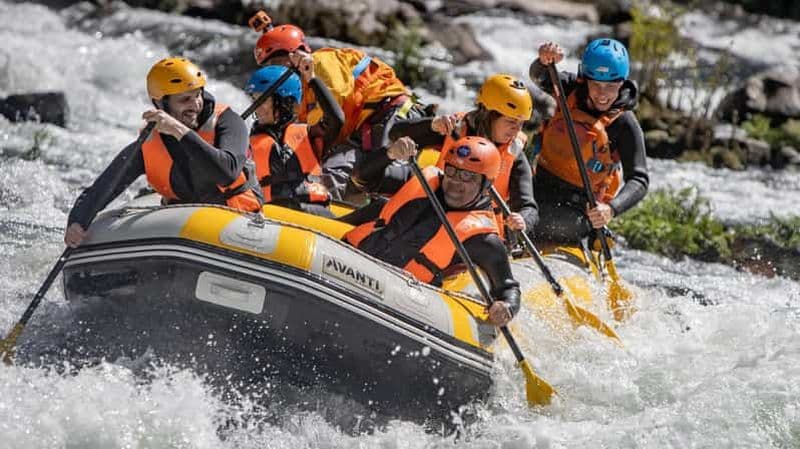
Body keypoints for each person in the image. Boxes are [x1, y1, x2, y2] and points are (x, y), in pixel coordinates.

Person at [64, 57, 262, 248]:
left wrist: (179, 130)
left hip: (238, 221)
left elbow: (227, 173)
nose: (195, 105)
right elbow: (106, 185)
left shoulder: (228, 121)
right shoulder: (150, 143)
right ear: (161, 104)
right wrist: (78, 221)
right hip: (185, 225)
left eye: (198, 95)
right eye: (185, 100)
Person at [343, 136, 521, 327]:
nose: (455, 182)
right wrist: (390, 153)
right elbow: (361, 179)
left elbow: (508, 288)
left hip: (398, 304)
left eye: (468, 176)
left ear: (486, 185)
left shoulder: (483, 239)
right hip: (348, 265)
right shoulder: (420, 180)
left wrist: (506, 307)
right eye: (452, 171)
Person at [248, 11, 424, 201]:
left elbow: (335, 114)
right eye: (267, 67)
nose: (274, 71)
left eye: (277, 62)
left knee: (365, 173)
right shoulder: (299, 91)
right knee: (336, 171)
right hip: (361, 131)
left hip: (389, 113)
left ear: (296, 54)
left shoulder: (321, 63)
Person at [381, 73, 539, 239]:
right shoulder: (454, 129)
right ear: (488, 114)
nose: (516, 129)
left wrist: (523, 220)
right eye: (511, 121)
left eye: (521, 124)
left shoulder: (515, 153)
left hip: (476, 231)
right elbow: (395, 133)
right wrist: (431, 125)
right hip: (434, 211)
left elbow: (528, 206)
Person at [528, 38, 649, 244]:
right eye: (596, 85)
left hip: (579, 207)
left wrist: (611, 209)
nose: (603, 95)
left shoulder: (624, 123)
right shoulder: (568, 87)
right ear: (585, 80)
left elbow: (639, 180)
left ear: (622, 82)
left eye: (611, 86)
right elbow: (538, 75)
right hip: (537, 185)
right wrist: (544, 59)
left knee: (552, 225)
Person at [245, 65, 344, 217]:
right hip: (273, 217)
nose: (256, 107)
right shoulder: (249, 143)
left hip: (314, 214)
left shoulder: (310, 135)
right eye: (254, 99)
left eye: (262, 100)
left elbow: (336, 119)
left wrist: (311, 78)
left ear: (284, 101)